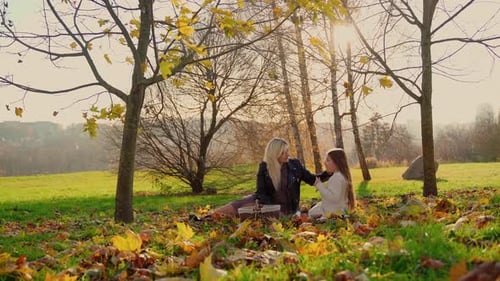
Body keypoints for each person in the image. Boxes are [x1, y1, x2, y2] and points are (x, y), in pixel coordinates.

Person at [199, 138, 321, 219]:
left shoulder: (295, 165)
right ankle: (206, 218)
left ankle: (212, 217)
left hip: (287, 209)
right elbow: (261, 193)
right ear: (275, 153)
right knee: (239, 205)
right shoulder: (264, 167)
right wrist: (270, 209)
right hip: (267, 204)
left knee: (244, 212)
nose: (288, 154)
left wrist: (331, 173)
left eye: (287, 151)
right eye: (284, 152)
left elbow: (311, 179)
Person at [308, 148, 356, 219]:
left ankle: (325, 217)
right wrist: (323, 188)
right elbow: (335, 193)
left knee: (311, 213)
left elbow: (334, 198)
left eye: (328, 160)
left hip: (335, 211)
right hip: (340, 208)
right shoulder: (341, 176)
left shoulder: (337, 178)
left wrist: (319, 185)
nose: (325, 162)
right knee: (315, 208)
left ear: (336, 163)